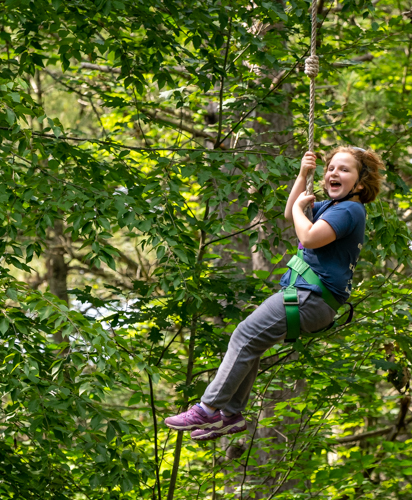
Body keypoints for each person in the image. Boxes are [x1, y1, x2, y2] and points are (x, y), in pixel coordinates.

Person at [164, 146, 383, 441]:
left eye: (344, 170)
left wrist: (296, 210)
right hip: (312, 299)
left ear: (359, 184)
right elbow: (290, 211)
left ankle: (208, 409)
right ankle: (230, 415)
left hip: (310, 297)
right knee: (251, 343)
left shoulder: (350, 209)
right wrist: (303, 173)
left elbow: (308, 236)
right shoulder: (335, 208)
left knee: (243, 335)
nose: (333, 173)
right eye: (330, 168)